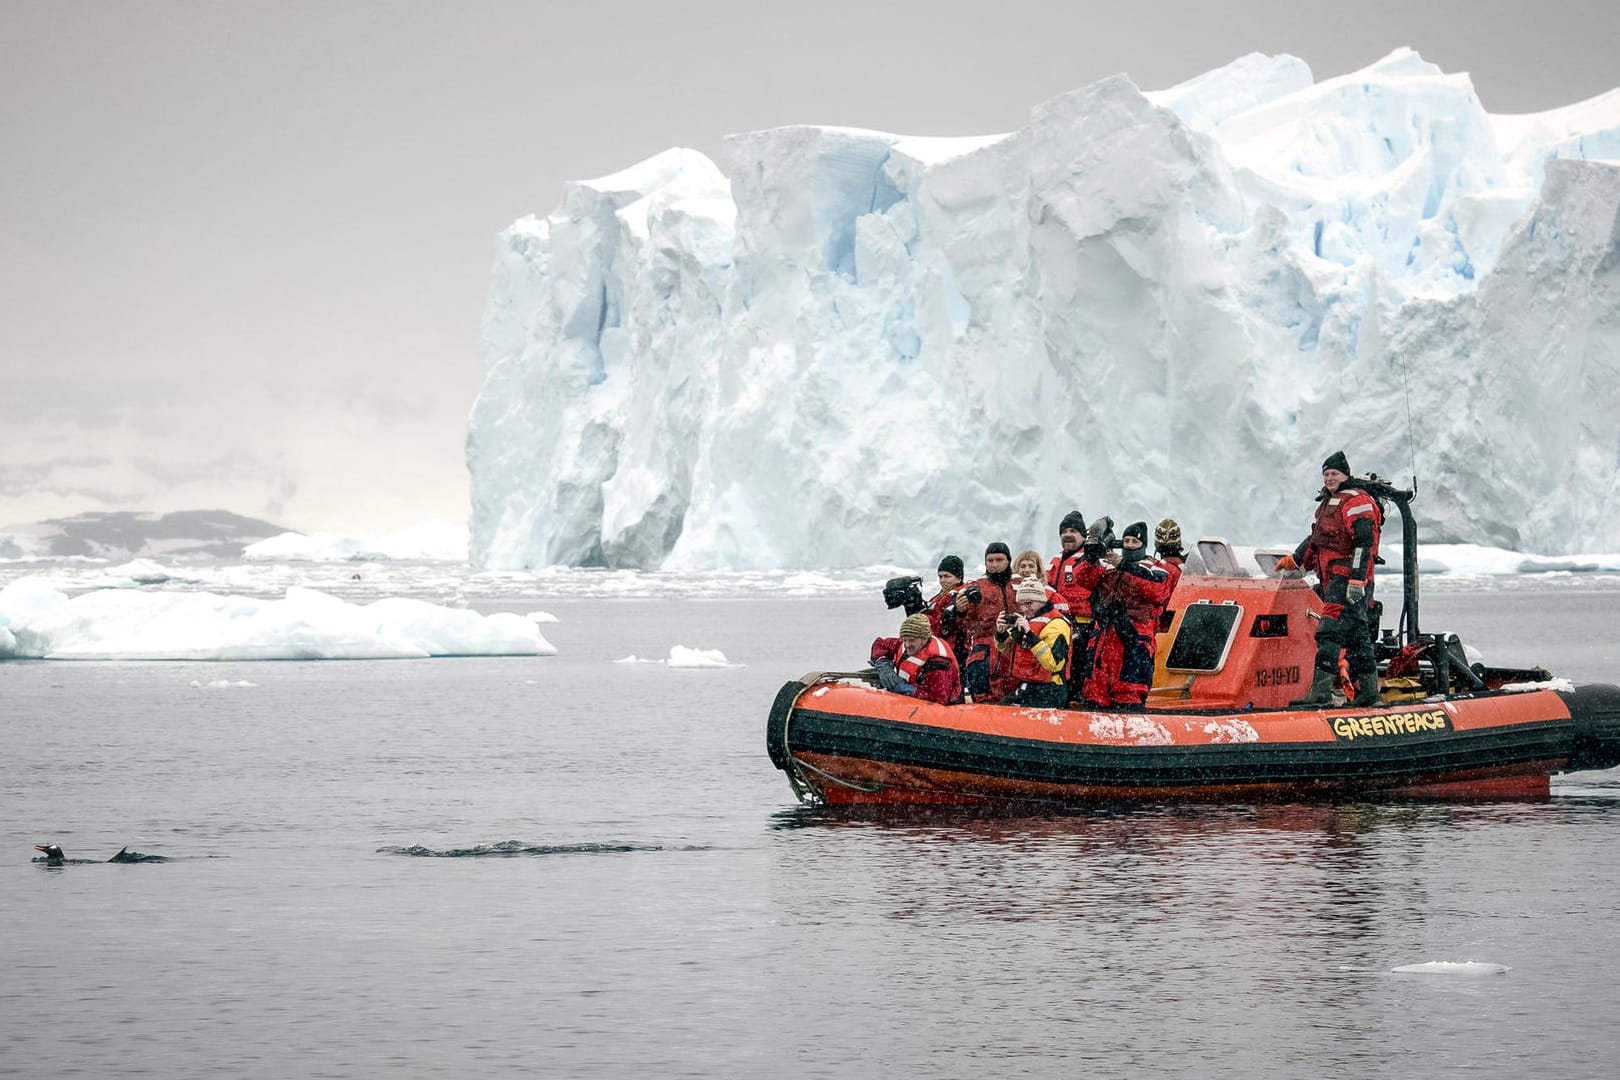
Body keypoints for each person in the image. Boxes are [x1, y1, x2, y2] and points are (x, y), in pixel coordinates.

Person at [1277, 451, 1383, 706]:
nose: (1329, 478)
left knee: (1328, 632)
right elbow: (1318, 538)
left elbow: (1364, 544)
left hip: (1345, 580)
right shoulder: (1329, 503)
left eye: (1334, 473)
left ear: (1345, 474)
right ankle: (1369, 693)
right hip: (1335, 579)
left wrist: (1357, 580)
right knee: (1358, 636)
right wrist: (1296, 558)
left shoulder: (1356, 502)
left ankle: (1321, 692)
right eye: (1326, 474)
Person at [1074, 521, 1179, 708]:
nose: (1129, 545)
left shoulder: (1155, 568)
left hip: (1134, 636)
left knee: (1129, 690)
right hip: (1104, 636)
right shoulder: (1108, 567)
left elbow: (1157, 590)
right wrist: (1090, 555)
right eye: (1126, 541)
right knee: (1096, 690)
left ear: (1144, 545)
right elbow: (1082, 578)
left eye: (1134, 542)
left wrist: (1124, 565)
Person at [954, 541, 1019, 703]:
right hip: (984, 651)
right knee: (984, 699)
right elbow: (964, 626)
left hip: (1014, 647)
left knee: (1013, 697)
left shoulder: (1020, 584)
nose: (994, 565)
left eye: (999, 560)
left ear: (1008, 561)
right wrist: (960, 611)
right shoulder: (977, 588)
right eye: (990, 561)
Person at [995, 577, 1073, 708]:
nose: (1025, 609)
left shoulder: (1057, 624)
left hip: (1050, 688)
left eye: (1029, 603)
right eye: (1021, 604)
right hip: (1027, 686)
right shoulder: (1027, 619)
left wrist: (1030, 636)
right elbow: (1005, 649)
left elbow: (1053, 663)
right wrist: (1001, 633)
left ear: (1041, 600)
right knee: (1002, 709)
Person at [1048, 510, 1097, 701]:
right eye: (1064, 531)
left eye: (1073, 531)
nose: (1067, 534)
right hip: (1059, 625)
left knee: (1079, 668)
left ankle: (1077, 698)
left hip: (1083, 625)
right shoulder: (1055, 561)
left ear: (1083, 535)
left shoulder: (1089, 559)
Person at [869, 613, 962, 705]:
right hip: (905, 703)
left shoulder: (939, 665)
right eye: (905, 639)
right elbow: (880, 644)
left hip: (934, 712)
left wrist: (906, 689)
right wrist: (883, 666)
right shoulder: (903, 645)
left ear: (924, 639)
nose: (907, 645)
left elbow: (940, 700)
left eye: (912, 640)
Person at [923, 554, 969, 660]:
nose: (942, 580)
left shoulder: (960, 596)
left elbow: (948, 626)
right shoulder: (939, 596)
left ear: (958, 578)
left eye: (947, 576)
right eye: (940, 576)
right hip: (939, 646)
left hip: (954, 650)